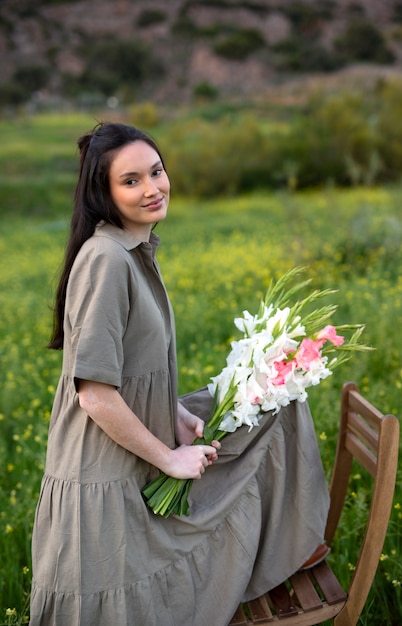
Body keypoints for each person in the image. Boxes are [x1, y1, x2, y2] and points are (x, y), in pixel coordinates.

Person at [29, 122, 330, 626]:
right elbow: (96, 396)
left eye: (157, 171)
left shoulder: (133, 251)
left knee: (275, 400)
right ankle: (276, 551)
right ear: (102, 192)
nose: (152, 188)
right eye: (131, 181)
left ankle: (286, 545)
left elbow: (128, 371)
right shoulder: (105, 261)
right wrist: (170, 457)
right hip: (104, 483)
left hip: (130, 459)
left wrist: (173, 412)